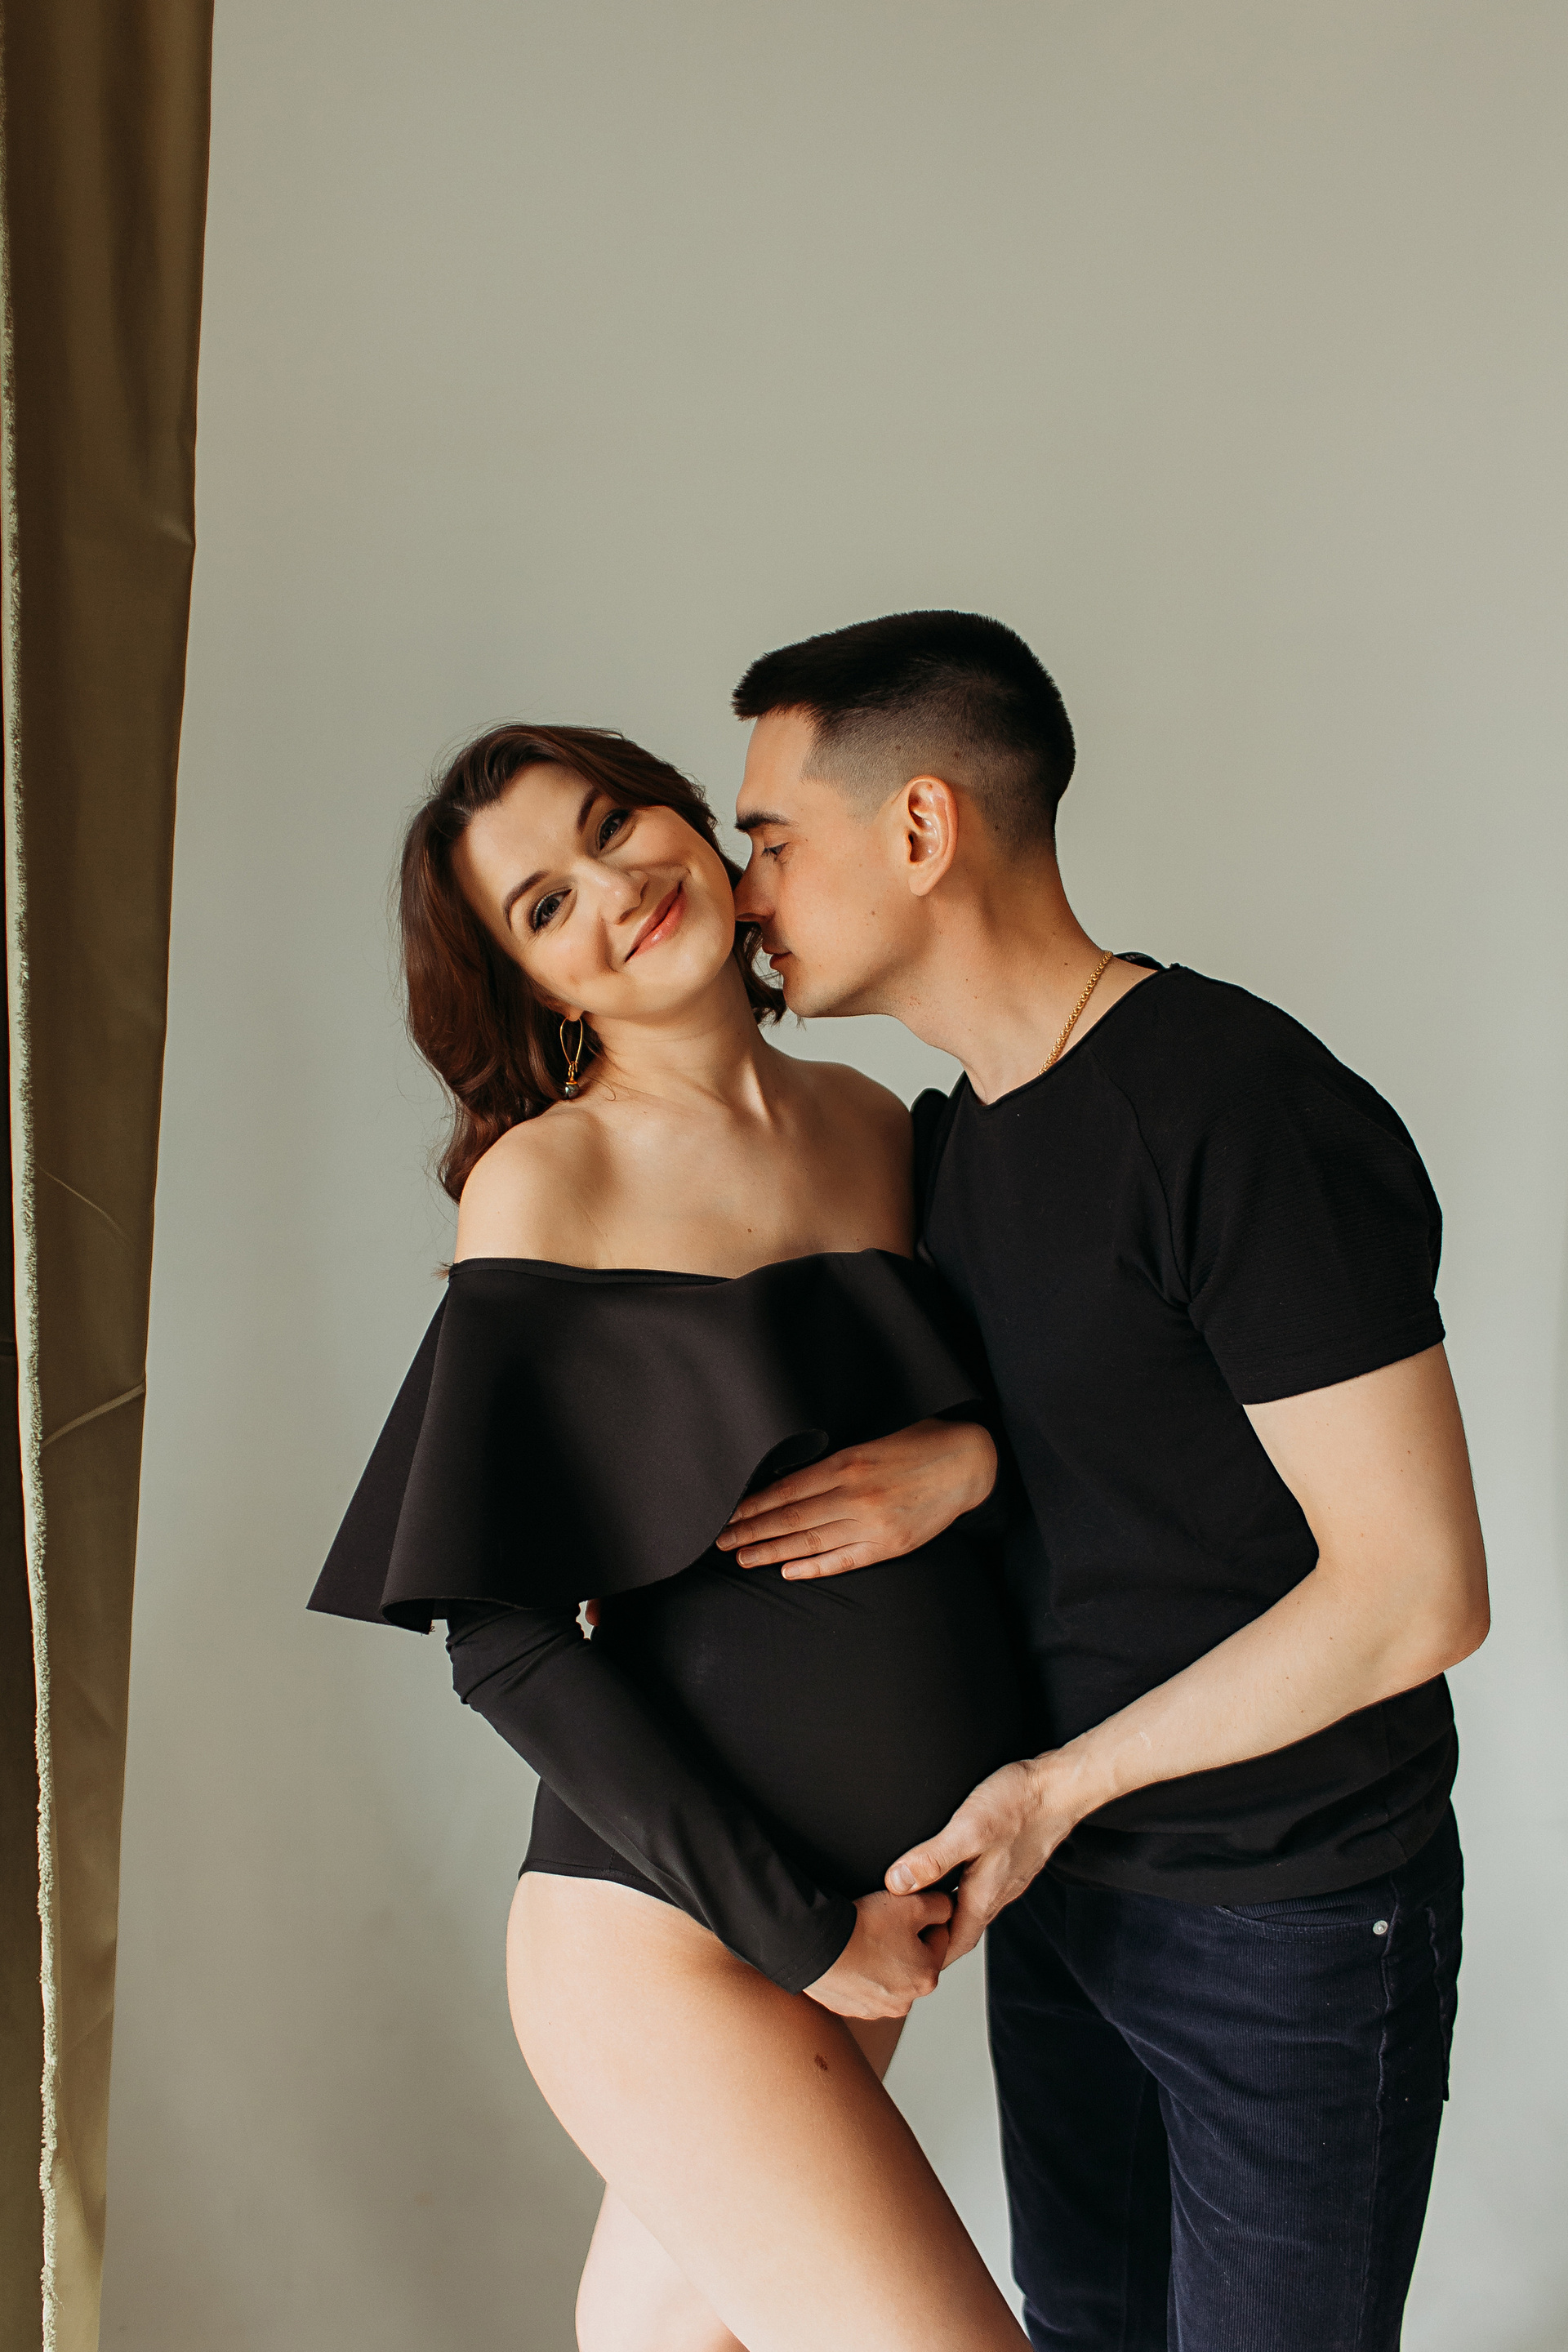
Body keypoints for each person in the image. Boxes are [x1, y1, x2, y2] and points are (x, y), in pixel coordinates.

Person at [720, 610, 1491, 2352]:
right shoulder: (954, 1139)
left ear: (922, 827)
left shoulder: (1234, 1106)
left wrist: (1058, 1789)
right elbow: (1118, 1438)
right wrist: (970, 1456)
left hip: (1289, 1913)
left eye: (769, 839)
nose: (745, 892)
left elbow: (1417, 1590)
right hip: (1068, 1896)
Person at [309, 722, 1036, 2352]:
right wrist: (803, 1931)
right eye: (545, 906)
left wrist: (969, 1461)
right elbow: (500, 1640)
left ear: (696, 824)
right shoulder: (546, 1184)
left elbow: (1055, 1435)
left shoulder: (878, 1126)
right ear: (532, 988)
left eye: (614, 823)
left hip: (867, 1909)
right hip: (677, 1941)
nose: (614, 886)